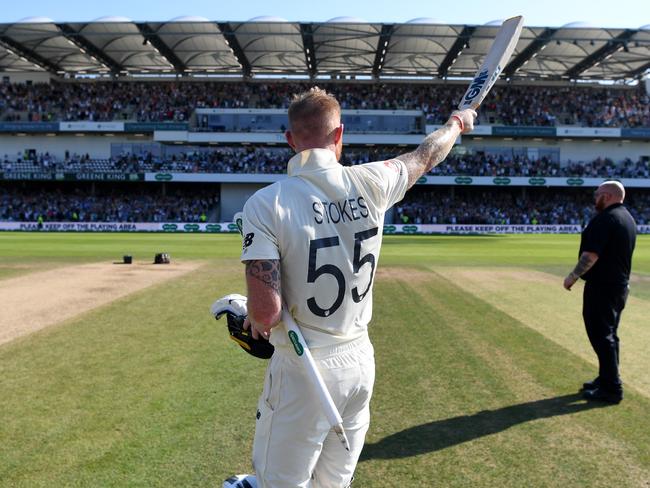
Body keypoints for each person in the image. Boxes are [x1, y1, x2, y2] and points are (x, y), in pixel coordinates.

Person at [234, 87, 475, 488]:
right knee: (334, 483)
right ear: (339, 134)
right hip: (361, 361)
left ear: (290, 140)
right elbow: (427, 154)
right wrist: (456, 123)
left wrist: (247, 320)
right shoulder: (374, 181)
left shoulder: (265, 204)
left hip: (304, 366)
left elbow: (265, 314)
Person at [563, 181, 636, 404]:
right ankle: (606, 378)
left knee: (601, 335)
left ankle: (612, 388)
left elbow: (591, 256)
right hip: (618, 287)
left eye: (597, 195)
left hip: (603, 288)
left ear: (607, 195)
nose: (595, 199)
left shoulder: (606, 219)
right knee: (610, 335)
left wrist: (572, 277)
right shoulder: (627, 218)